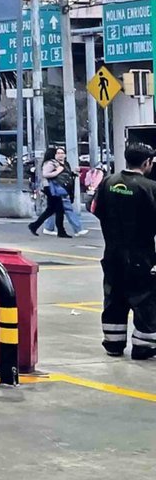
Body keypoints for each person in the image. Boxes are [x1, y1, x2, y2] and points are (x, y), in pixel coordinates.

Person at [90, 142, 156, 358]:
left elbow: (94, 208)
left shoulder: (108, 182)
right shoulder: (150, 187)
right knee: (144, 300)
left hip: (112, 253)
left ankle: (113, 343)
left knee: (114, 297)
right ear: (146, 163)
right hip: (141, 256)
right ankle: (143, 346)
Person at [30, 149, 73, 239]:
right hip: (51, 188)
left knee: (51, 210)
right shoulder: (49, 163)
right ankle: (61, 231)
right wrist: (58, 171)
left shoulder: (51, 162)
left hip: (52, 188)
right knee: (59, 210)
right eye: (57, 153)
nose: (58, 155)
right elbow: (46, 174)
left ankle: (35, 225)